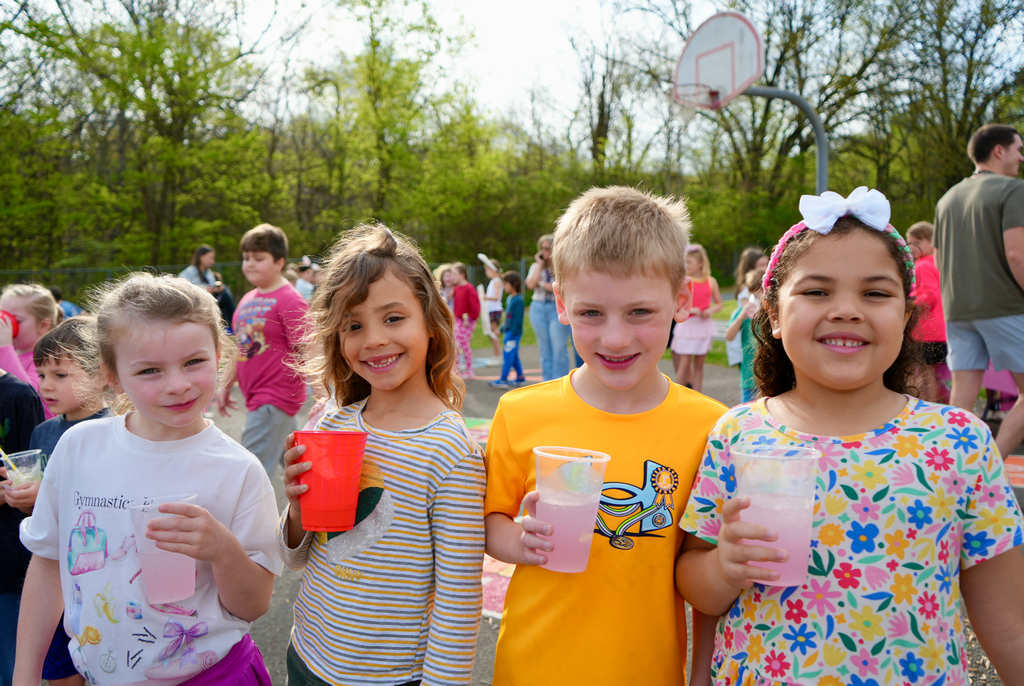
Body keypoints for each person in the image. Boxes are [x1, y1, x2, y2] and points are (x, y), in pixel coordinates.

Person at [676, 187, 1024, 685]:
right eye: (817, 292)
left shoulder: (959, 443)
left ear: (906, 318)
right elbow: (698, 589)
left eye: (875, 293)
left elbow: (1010, 625)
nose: (846, 310)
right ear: (774, 314)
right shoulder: (738, 434)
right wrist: (723, 567)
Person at [484, 186, 728, 685]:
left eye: (640, 312)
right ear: (561, 303)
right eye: (591, 313)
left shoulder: (712, 428)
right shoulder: (520, 412)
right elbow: (490, 520)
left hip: (649, 671)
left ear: (681, 300)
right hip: (532, 669)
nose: (615, 338)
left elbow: (704, 569)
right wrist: (519, 540)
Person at [15, 273, 282, 686]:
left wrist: (223, 551)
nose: (178, 385)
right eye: (150, 370)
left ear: (219, 355)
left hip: (213, 677)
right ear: (112, 375)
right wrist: (25, 674)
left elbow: (253, 606)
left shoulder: (238, 470)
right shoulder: (78, 448)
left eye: (194, 362)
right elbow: (48, 563)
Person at [277, 224, 485, 686]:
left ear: (430, 322)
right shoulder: (334, 423)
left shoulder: (450, 450)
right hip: (307, 654)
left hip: (389, 676)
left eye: (393, 318)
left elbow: (458, 597)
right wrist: (297, 509)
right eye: (353, 326)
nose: (372, 339)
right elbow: (296, 557)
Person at [20, 318, 109, 686]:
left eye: (60, 375)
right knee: (61, 672)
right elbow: (44, 517)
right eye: (41, 375)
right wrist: (25, 499)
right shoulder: (43, 432)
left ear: (102, 374)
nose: (45, 385)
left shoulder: (118, 429)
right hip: (54, 581)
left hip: (102, 579)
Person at [935, 123, 1024, 458]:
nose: (1021, 158)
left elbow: (940, 259)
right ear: (999, 151)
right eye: (1018, 149)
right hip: (1005, 305)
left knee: (962, 397)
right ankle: (990, 465)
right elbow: (1017, 254)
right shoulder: (1013, 190)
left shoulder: (947, 199)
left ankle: (951, 466)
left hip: (958, 308)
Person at [217, 224, 309, 477]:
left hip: (275, 398)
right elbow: (241, 349)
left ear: (279, 262)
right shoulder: (247, 300)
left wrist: (323, 398)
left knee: (250, 474)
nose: (250, 264)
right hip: (260, 399)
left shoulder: (290, 299)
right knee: (300, 471)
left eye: (258, 258)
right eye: (246, 258)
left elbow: (309, 349)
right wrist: (225, 386)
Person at [0, 369, 45, 686]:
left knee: (12, 666)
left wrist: (17, 493)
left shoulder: (18, 396)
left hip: (10, 564)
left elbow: (32, 481)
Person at [0, 284, 63, 418]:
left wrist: (5, 346)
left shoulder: (45, 357)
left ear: (43, 325)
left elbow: (28, 394)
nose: (6, 326)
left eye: (15, 321)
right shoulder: (9, 353)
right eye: (3, 318)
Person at [670, 244, 723, 391]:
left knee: (699, 366)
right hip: (687, 326)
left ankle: (697, 395)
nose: (686, 265)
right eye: (685, 262)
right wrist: (693, 310)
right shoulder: (684, 281)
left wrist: (710, 310)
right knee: (684, 364)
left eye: (690, 262)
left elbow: (719, 304)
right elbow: (675, 303)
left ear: (700, 263)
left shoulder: (711, 281)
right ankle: (677, 395)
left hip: (703, 327)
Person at [907, 221, 948, 402]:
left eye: (918, 242)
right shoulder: (940, 264)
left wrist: (909, 305)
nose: (912, 247)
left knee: (923, 371)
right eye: (910, 243)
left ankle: (925, 404)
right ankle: (936, 403)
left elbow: (930, 295)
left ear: (933, 242)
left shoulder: (922, 265)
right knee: (932, 372)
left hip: (926, 330)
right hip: (941, 329)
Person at [525, 234, 571, 381]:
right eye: (542, 248)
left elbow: (560, 288)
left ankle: (560, 381)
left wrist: (541, 283)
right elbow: (530, 284)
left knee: (559, 347)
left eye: (547, 248)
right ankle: (548, 381)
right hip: (538, 308)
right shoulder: (535, 267)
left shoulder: (561, 266)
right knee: (544, 348)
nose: (544, 251)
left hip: (556, 308)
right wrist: (539, 264)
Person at [724, 268, 765, 404]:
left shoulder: (772, 312)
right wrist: (741, 317)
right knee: (747, 409)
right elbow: (729, 336)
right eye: (754, 295)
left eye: (760, 296)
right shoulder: (744, 312)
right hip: (749, 376)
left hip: (769, 376)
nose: (757, 299)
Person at [178, 244, 236, 331]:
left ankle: (232, 323)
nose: (212, 261)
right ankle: (233, 324)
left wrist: (217, 289)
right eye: (210, 258)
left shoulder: (208, 273)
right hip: (196, 303)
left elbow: (212, 286)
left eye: (213, 258)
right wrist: (203, 290)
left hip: (211, 301)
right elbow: (182, 290)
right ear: (201, 257)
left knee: (224, 290)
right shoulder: (187, 273)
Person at [727, 247, 769, 367]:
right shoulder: (748, 292)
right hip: (747, 339)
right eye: (761, 265)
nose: (766, 267)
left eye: (767, 264)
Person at [488, 271, 525, 390]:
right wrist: (502, 329)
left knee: (508, 357)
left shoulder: (518, 300)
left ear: (514, 284)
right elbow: (508, 318)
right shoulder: (510, 298)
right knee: (514, 357)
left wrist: (509, 333)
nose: (504, 287)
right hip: (509, 333)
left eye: (506, 284)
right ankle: (520, 378)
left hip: (513, 334)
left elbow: (516, 321)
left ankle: (503, 379)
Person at [451, 262, 480, 380]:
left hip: (467, 322)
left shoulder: (469, 288)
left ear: (462, 275)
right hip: (458, 321)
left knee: (464, 345)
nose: (452, 276)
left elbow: (476, 307)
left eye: (455, 274)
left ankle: (470, 371)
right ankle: (456, 370)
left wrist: (470, 318)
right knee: (456, 345)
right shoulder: (457, 288)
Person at [480, 255, 504, 359]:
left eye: (487, 269)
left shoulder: (497, 281)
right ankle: (496, 354)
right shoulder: (493, 281)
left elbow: (496, 297)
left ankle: (498, 355)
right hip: (490, 310)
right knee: (491, 334)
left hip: (495, 310)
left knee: (494, 333)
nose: (486, 272)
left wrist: (486, 297)